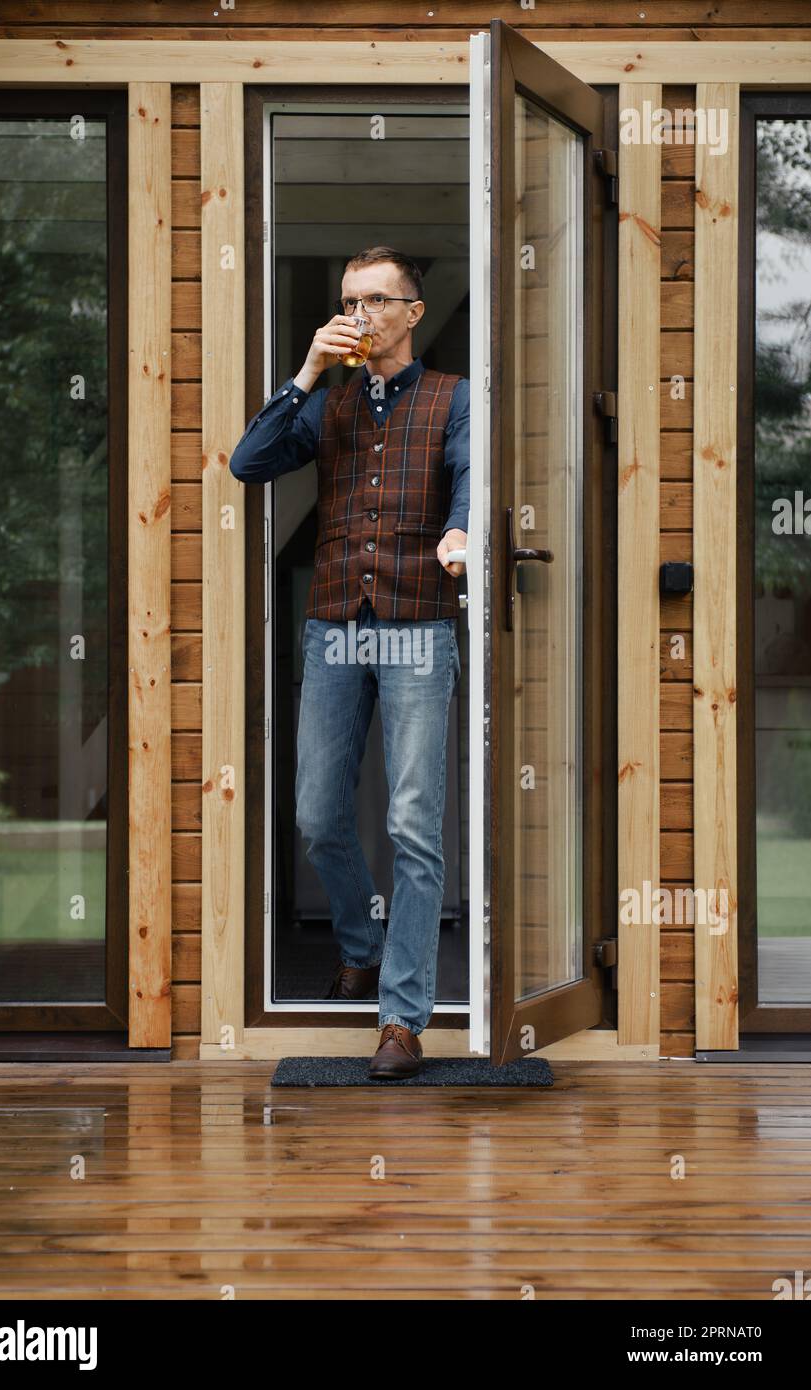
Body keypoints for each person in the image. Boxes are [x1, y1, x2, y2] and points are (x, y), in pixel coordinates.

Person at [230, 246, 469, 1078]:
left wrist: (461, 531)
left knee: (411, 822)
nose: (359, 314)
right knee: (316, 815)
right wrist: (304, 368)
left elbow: (470, 477)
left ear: (413, 313)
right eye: (347, 301)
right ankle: (359, 946)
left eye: (374, 301)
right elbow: (248, 462)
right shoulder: (325, 406)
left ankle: (402, 1018)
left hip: (418, 625)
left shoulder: (453, 399)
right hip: (336, 623)